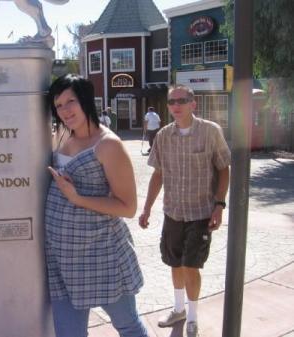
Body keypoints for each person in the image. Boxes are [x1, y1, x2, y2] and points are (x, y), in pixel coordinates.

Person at [45, 74, 148, 337]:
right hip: (62, 258)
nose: (65, 110)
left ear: (86, 100)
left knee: (128, 326)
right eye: (58, 105)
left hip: (102, 255)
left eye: (71, 101)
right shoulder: (61, 136)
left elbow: (128, 207)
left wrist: (77, 198)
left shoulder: (108, 145)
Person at [138, 85, 230, 337]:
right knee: (174, 262)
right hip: (173, 212)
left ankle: (192, 316)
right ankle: (178, 309)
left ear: (193, 103)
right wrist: (146, 208)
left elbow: (223, 168)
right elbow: (158, 174)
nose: (176, 105)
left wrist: (219, 205)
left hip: (201, 212)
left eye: (182, 100)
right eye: (171, 102)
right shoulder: (164, 136)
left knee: (191, 265)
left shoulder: (211, 132)